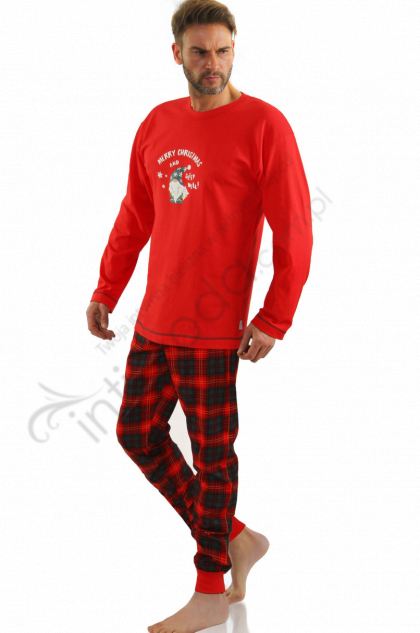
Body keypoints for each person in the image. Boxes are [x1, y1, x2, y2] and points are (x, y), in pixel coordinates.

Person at [86, 1, 313, 631]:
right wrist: (107, 288)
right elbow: (135, 214)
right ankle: (236, 537)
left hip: (215, 326)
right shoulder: (157, 123)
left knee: (214, 459)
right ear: (177, 55)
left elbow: (294, 228)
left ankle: (211, 589)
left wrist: (275, 316)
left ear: (234, 48)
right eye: (198, 52)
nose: (211, 63)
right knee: (137, 434)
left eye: (221, 50)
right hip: (155, 319)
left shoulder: (264, 125)